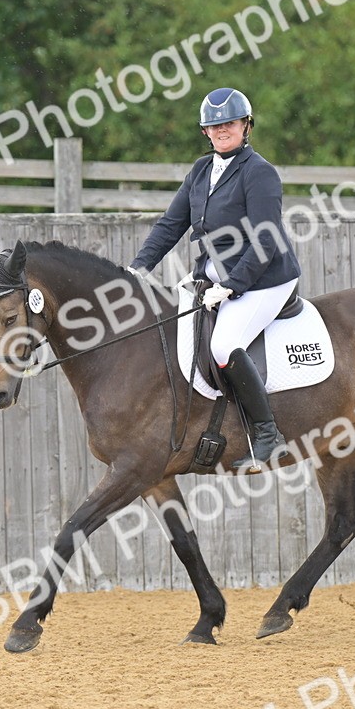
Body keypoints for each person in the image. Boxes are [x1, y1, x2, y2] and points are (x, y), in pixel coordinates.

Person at [129, 87, 300, 472]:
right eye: (215, 125)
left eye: (230, 123)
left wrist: (232, 286)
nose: (223, 130)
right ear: (205, 132)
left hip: (264, 278)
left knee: (223, 345)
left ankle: (268, 435)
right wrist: (139, 267)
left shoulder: (259, 173)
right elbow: (171, 224)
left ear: (246, 126)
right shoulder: (201, 171)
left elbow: (265, 239)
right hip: (216, 275)